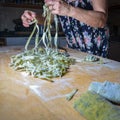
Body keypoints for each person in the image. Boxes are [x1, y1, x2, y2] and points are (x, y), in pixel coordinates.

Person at [21, 0, 109, 57]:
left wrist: (69, 10)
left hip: (97, 52)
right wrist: (35, 17)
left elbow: (101, 20)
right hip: (73, 52)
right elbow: (47, 20)